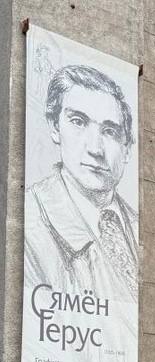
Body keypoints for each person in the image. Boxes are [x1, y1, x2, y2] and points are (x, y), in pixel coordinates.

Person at [25, 64, 138, 302]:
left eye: (110, 131)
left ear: (127, 148)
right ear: (55, 127)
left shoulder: (137, 227)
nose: (95, 149)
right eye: (78, 122)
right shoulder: (29, 221)